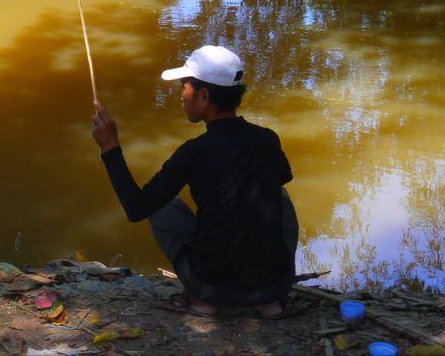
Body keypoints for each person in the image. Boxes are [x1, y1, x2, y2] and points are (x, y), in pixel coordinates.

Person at [90, 45, 298, 317]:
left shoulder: (194, 152)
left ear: (203, 96)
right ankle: (268, 303)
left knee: (163, 206)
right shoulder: (268, 139)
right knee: (278, 194)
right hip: (274, 285)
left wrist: (110, 146)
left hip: (211, 286)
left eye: (184, 87)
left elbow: (137, 208)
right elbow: (281, 178)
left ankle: (203, 301)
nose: (181, 96)